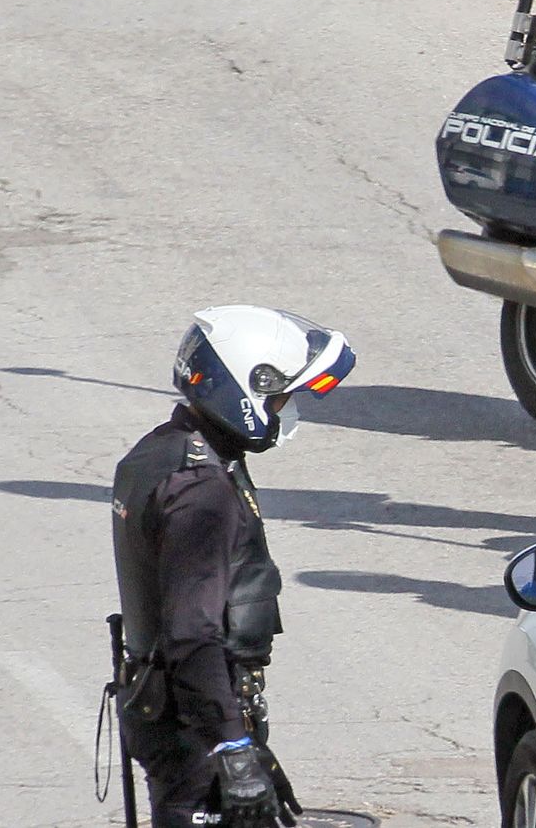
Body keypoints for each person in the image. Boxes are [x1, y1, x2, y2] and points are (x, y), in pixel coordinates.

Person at [111, 305, 356, 827]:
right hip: (194, 733)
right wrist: (233, 748)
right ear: (245, 386)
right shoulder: (203, 493)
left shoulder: (161, 452)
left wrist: (250, 750)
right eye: (282, 396)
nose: (287, 410)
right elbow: (192, 635)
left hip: (177, 717)